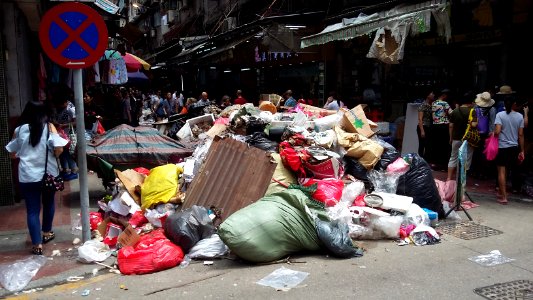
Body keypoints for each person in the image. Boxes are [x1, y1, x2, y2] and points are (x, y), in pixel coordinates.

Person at [5, 101, 68, 255]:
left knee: (32, 210)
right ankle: (47, 232)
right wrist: (52, 155)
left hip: (27, 176)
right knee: (48, 204)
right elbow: (59, 148)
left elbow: (12, 154)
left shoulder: (19, 130)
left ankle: (37, 244)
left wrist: (25, 155)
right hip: (48, 174)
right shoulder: (49, 127)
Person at [494, 95, 525, 204]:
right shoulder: (520, 116)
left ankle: (504, 196)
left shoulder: (500, 115)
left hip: (502, 146)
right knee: (507, 170)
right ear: (514, 104)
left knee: (501, 171)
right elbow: (520, 134)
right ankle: (503, 192)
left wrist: (492, 133)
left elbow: (497, 131)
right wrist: (522, 150)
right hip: (514, 147)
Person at [447, 92, 475, 181]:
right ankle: (461, 180)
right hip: (468, 139)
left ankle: (449, 178)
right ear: (471, 101)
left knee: (453, 157)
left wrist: (451, 138)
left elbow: (451, 125)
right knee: (466, 159)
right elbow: (474, 125)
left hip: (456, 138)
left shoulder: (455, 111)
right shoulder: (472, 111)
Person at [469, 91, 497, 179]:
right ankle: (482, 172)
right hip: (486, 134)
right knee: (484, 153)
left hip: (475, 132)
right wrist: (491, 133)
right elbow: (493, 122)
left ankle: (474, 171)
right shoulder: (492, 109)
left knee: (475, 152)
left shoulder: (475, 107)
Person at [52, 92, 78, 181]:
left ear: (65, 102)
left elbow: (77, 122)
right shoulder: (59, 108)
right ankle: (65, 170)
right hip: (61, 134)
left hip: (69, 134)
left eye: (60, 104)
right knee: (63, 154)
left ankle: (74, 172)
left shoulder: (71, 109)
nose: (58, 105)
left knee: (69, 153)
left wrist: (64, 125)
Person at [430, 89, 453, 169]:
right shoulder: (445, 103)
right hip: (443, 126)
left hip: (435, 125)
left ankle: (435, 163)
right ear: (443, 95)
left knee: (436, 144)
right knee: (444, 145)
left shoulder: (433, 103)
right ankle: (442, 164)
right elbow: (452, 113)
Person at [417, 90, 435, 160]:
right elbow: (420, 119)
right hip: (423, 126)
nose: (433, 95)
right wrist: (422, 130)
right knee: (422, 145)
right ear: (428, 96)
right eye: (432, 94)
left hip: (429, 126)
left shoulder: (432, 105)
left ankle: (426, 160)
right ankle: (420, 160)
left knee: (428, 145)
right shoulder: (423, 105)